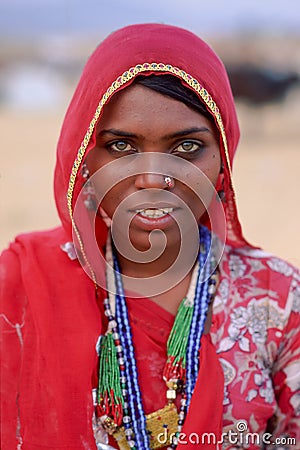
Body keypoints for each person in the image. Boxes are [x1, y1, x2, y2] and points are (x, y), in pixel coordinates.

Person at [0, 23, 299, 450]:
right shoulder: (17, 287)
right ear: (84, 157)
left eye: (187, 147)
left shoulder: (279, 299)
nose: (154, 179)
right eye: (122, 147)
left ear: (223, 159)